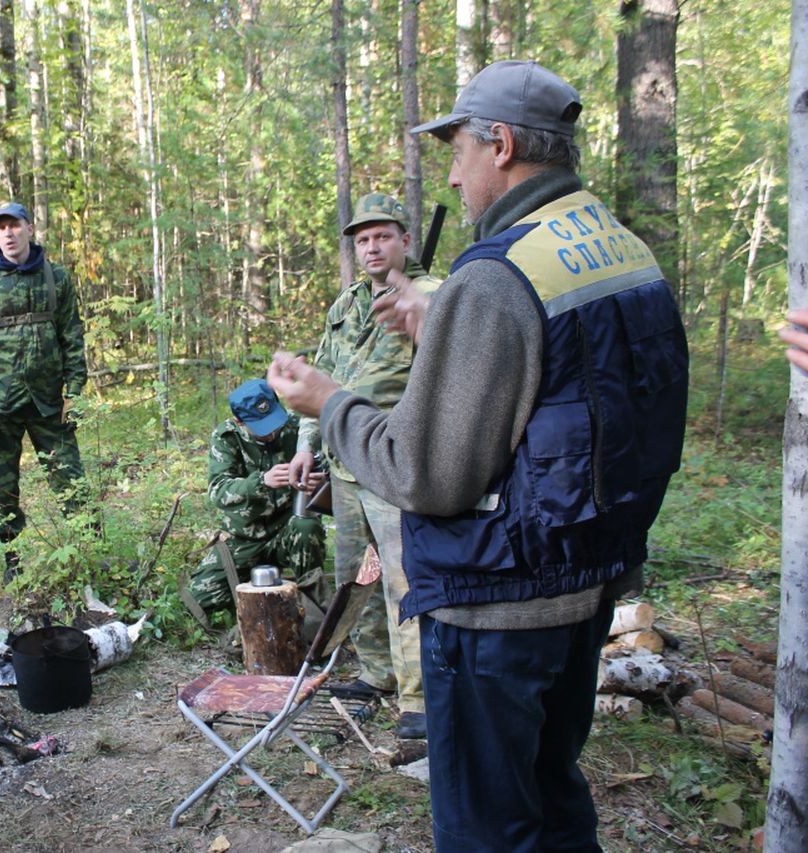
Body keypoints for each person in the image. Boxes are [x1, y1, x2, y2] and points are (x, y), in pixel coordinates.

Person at [266, 60, 688, 850]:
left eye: (456, 150)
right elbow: (585, 397)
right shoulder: (621, 244)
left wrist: (330, 403)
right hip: (589, 580)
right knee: (554, 795)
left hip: (499, 605)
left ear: (499, 144)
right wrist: (449, 335)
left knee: (487, 826)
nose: (453, 177)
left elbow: (427, 474)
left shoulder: (494, 277)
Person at [289, 192, 437, 739]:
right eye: (363, 239)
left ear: (404, 240)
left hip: (396, 463)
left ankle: (419, 696)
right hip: (345, 460)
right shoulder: (346, 304)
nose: (372, 247)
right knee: (357, 578)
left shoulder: (432, 298)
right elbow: (323, 374)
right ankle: (376, 675)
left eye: (383, 236)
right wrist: (307, 441)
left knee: (407, 582)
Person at [0, 202, 92, 581]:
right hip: (1, 407)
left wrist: (76, 391)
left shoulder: (57, 278)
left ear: (29, 229)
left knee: (71, 481)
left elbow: (72, 336)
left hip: (50, 403)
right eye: (1, 228)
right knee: (3, 489)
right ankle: (12, 561)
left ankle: (85, 554)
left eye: (14, 226)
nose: (8, 234)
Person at [185, 379, 326, 615]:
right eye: (262, 427)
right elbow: (218, 491)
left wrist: (319, 482)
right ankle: (258, 597)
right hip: (244, 538)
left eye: (274, 422)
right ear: (240, 422)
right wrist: (260, 482)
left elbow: (331, 466)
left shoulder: (297, 430)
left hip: (287, 531)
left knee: (307, 526)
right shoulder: (227, 437)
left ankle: (313, 604)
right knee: (197, 601)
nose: (271, 433)